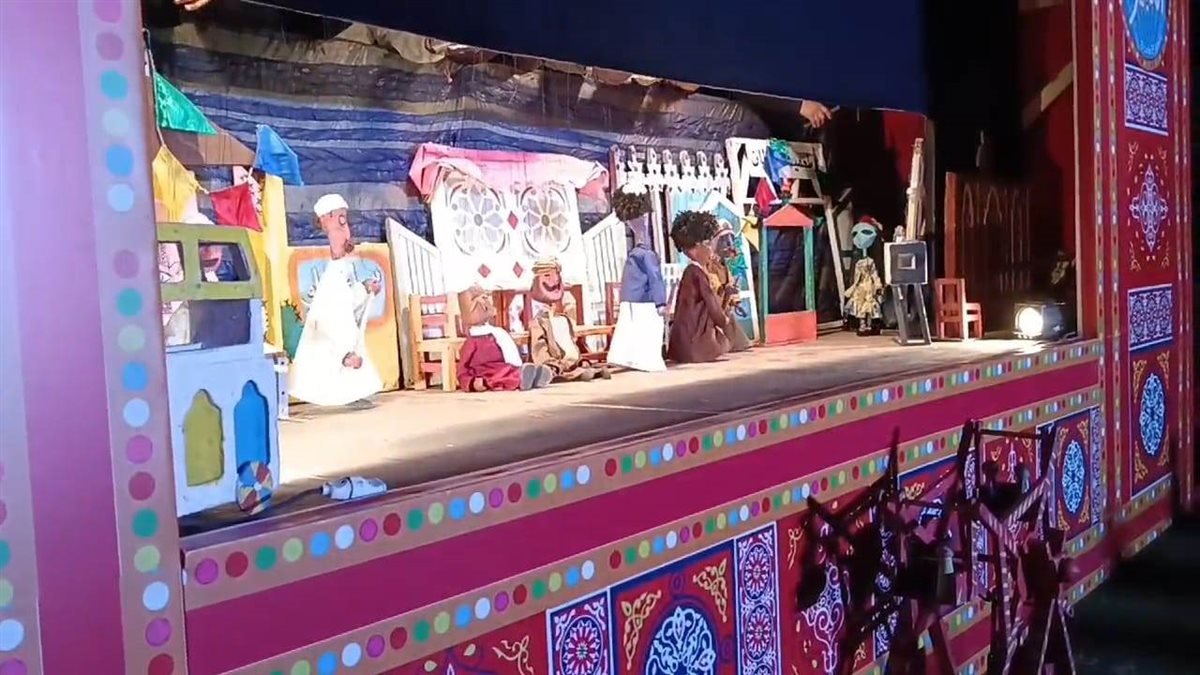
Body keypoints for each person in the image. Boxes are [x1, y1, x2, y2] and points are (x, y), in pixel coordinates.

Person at [288, 194, 383, 407]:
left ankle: (350, 386)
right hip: (334, 341)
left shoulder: (342, 269)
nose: (344, 228)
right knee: (335, 333)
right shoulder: (331, 279)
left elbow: (349, 302)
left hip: (342, 282)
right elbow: (330, 320)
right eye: (339, 219)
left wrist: (365, 288)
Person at [606, 186, 668, 372]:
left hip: (640, 299)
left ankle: (642, 359)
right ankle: (633, 358)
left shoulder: (644, 255)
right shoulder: (642, 254)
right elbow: (654, 278)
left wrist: (660, 301)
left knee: (641, 329)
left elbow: (655, 279)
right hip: (636, 299)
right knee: (635, 328)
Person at [528, 257, 610, 382]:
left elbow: (571, 341)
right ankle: (556, 371)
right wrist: (549, 363)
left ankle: (578, 366)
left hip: (568, 355)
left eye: (557, 274)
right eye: (547, 275)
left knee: (563, 325)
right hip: (555, 362)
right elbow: (539, 347)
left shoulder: (563, 318)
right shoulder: (538, 321)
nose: (554, 280)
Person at [456, 286, 553, 392]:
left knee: (509, 371)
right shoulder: (472, 342)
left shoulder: (496, 332)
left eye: (485, 297)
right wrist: (471, 382)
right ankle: (522, 379)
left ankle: (533, 376)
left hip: (505, 365)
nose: (484, 300)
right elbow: (462, 369)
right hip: (487, 373)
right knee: (500, 377)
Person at [667, 211, 730, 363]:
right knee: (725, 341)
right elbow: (712, 304)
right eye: (707, 244)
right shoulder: (697, 273)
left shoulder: (691, 272)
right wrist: (723, 320)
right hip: (694, 339)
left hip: (684, 337)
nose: (711, 250)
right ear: (696, 247)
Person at [707, 222, 752, 352]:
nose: (729, 243)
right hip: (713, 309)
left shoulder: (724, 265)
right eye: (724, 240)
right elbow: (712, 287)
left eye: (731, 239)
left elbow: (729, 282)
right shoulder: (709, 265)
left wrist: (735, 302)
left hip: (724, 307)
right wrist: (724, 291)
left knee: (740, 341)